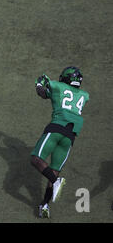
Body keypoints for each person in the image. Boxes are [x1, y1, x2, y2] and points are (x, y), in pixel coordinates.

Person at [30, 66, 89, 218]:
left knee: (36, 159)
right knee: (54, 168)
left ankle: (56, 181)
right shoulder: (84, 95)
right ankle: (45, 205)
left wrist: (39, 83)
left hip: (56, 129)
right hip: (70, 137)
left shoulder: (57, 86)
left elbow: (42, 90)